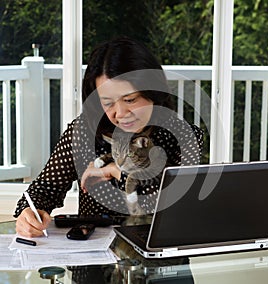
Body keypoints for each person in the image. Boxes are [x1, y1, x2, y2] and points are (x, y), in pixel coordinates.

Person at [14, 37, 204, 238]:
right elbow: (44, 189)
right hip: (93, 259)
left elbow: (172, 208)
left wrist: (116, 171)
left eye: (130, 100)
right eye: (108, 103)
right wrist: (28, 212)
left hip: (160, 260)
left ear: (153, 92)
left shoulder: (183, 137)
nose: (120, 113)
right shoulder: (84, 132)